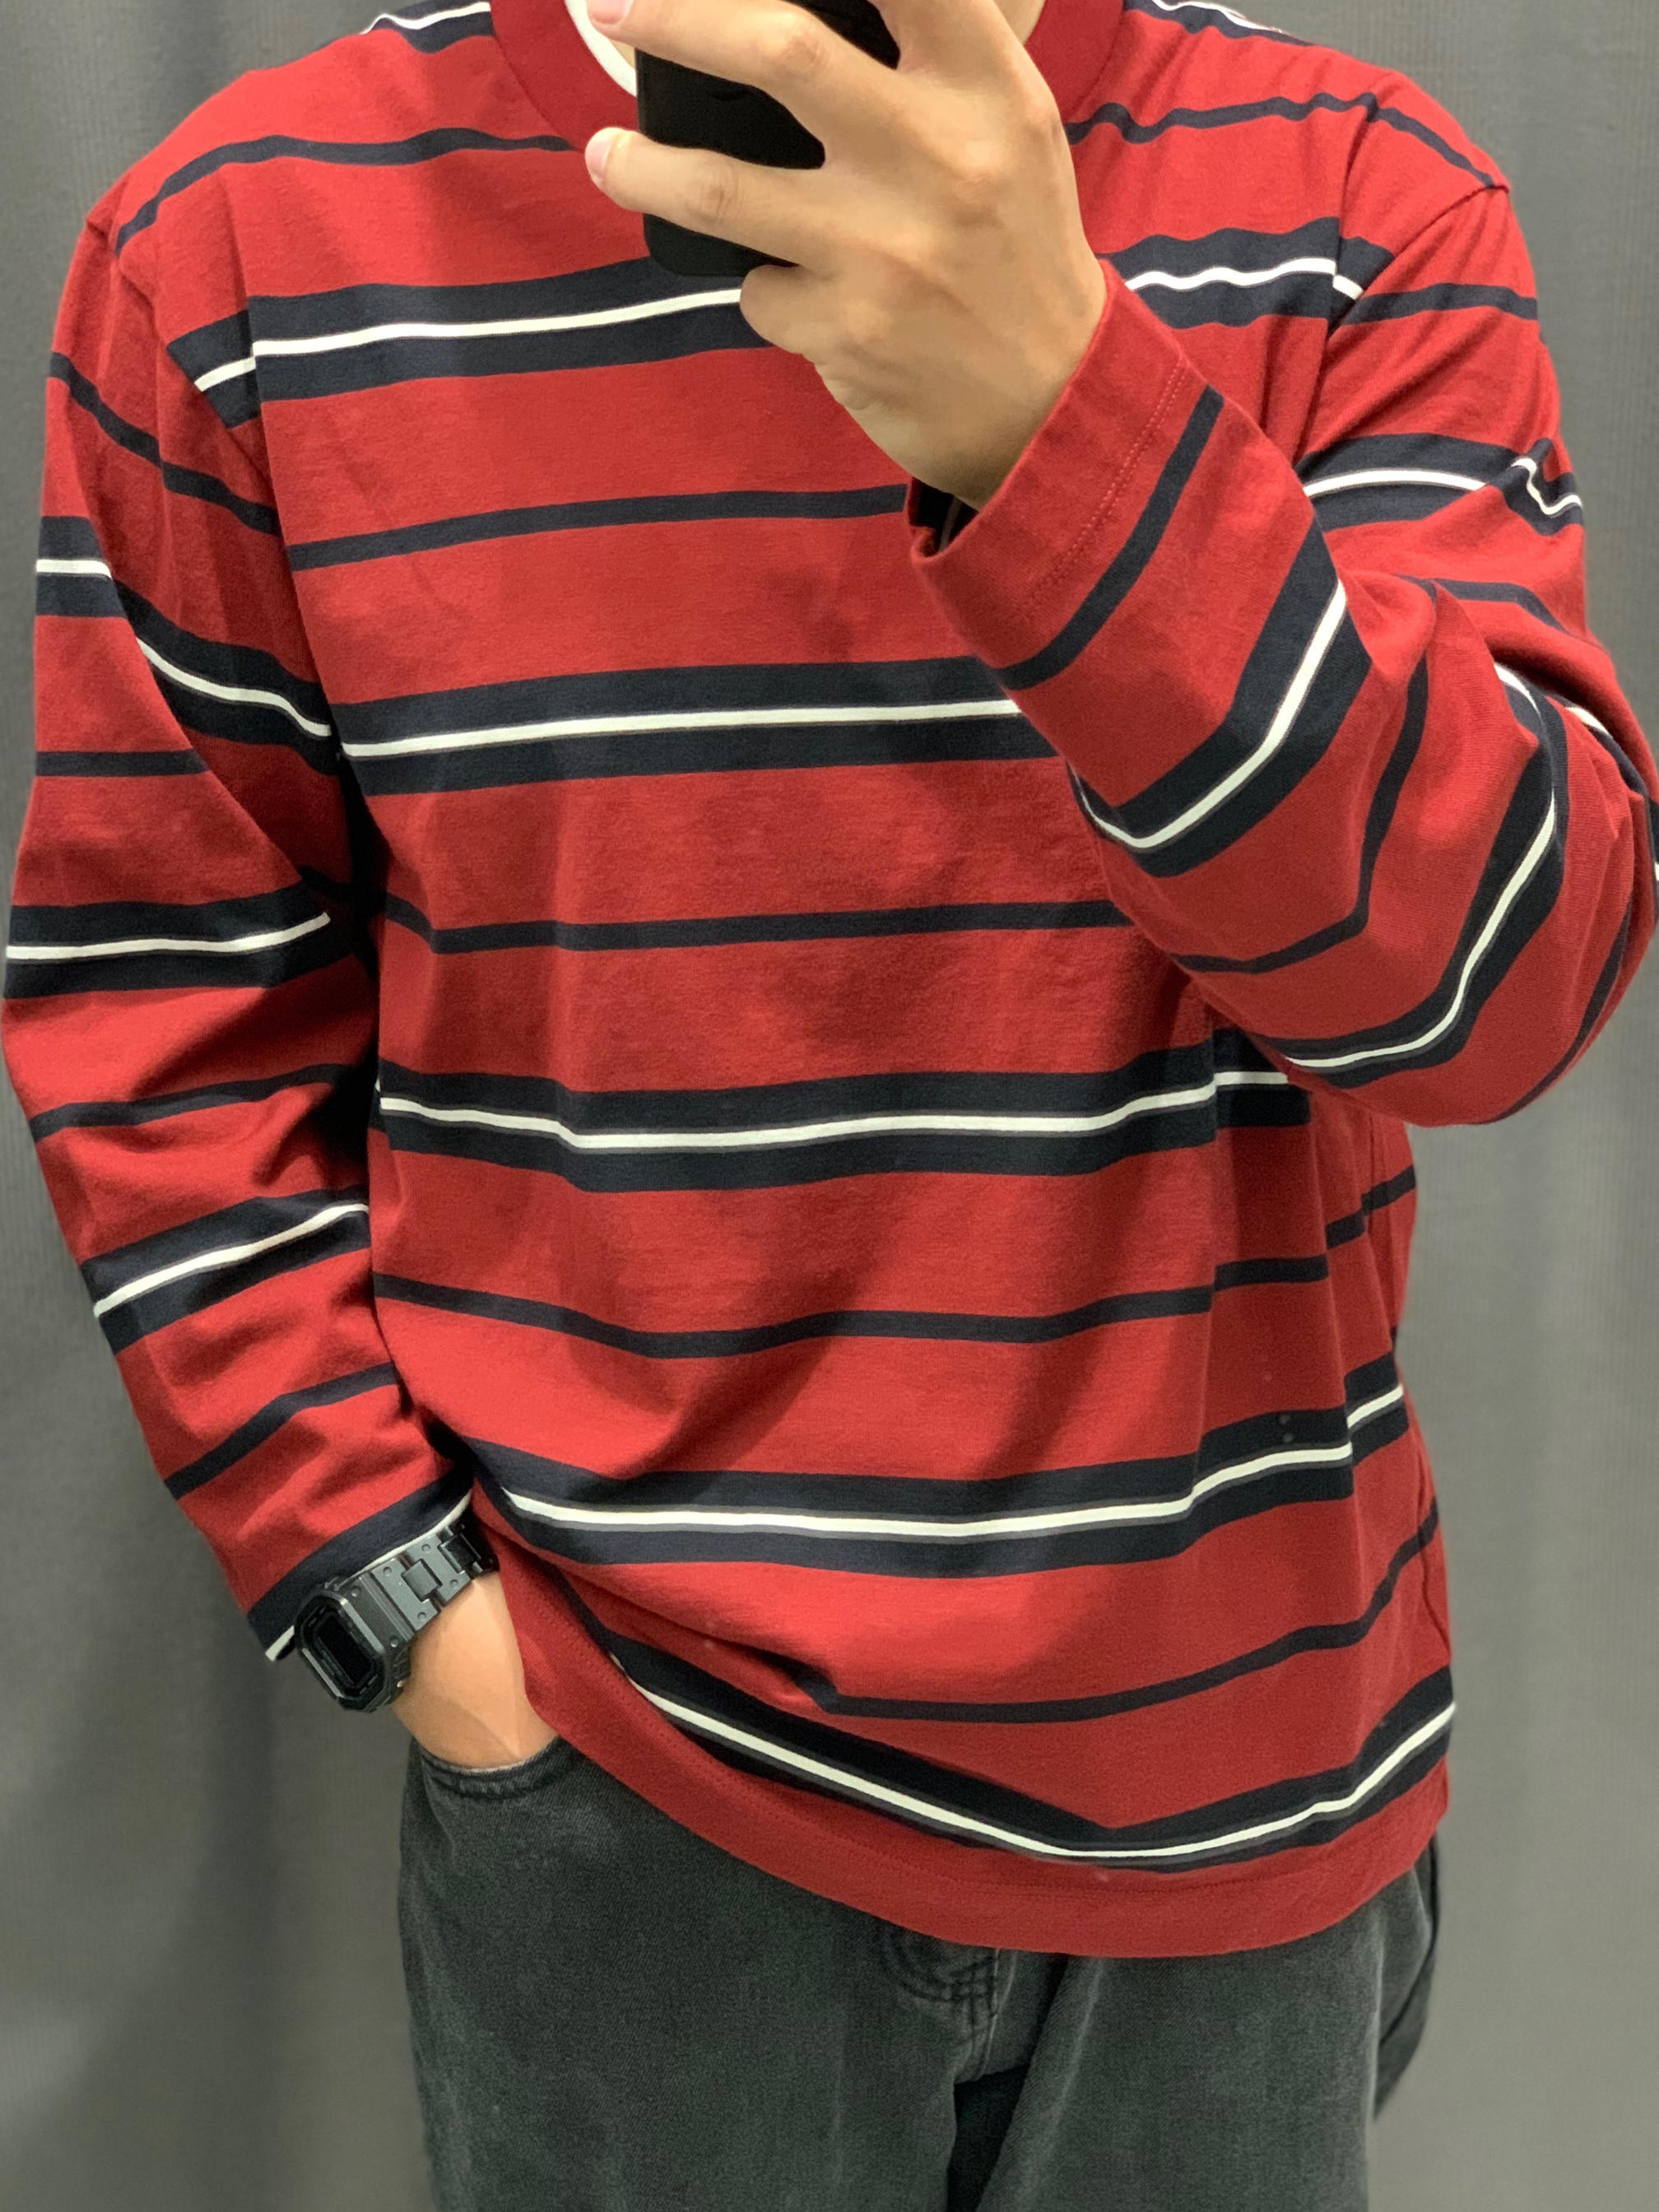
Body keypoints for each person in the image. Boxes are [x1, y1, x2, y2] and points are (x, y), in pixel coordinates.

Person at [5, 0, 1655, 2205]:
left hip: (1241, 1800)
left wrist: (1064, 422)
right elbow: (166, 1015)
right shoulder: (236, 249)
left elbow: (1496, 996)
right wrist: (405, 1609)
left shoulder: (1355, 190)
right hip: (627, 1816)